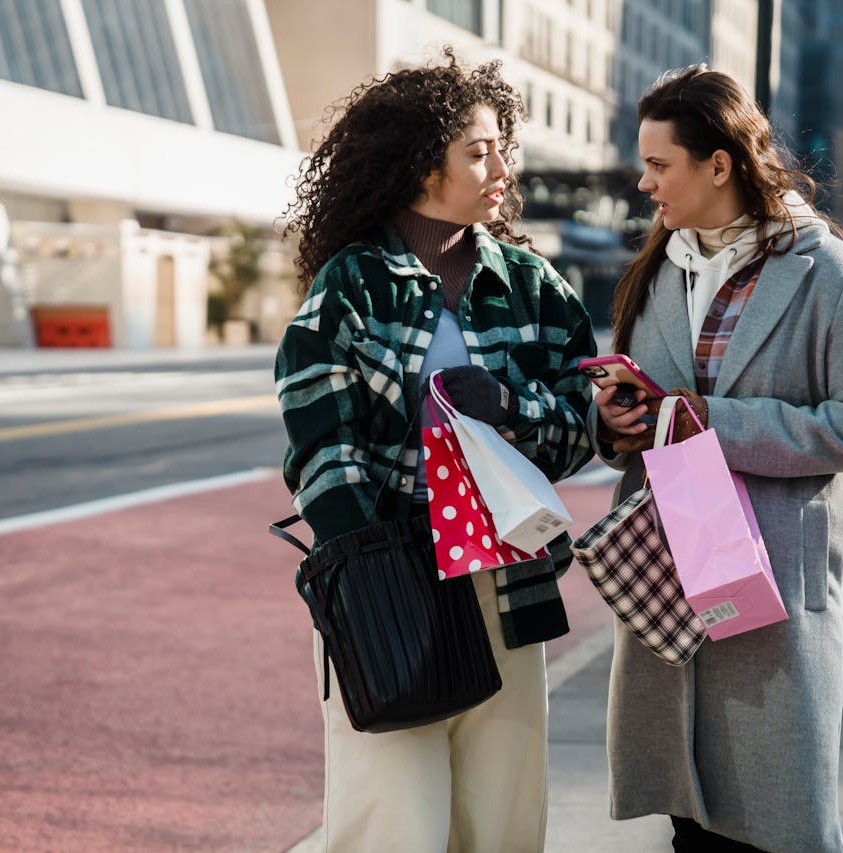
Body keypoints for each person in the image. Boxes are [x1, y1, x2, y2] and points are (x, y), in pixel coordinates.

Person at [274, 50, 597, 853]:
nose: (501, 167)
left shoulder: (531, 285)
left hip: (508, 582)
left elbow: (581, 426)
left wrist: (513, 410)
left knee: (503, 826)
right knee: (390, 823)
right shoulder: (353, 284)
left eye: (502, 147)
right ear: (420, 164)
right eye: (477, 150)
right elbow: (318, 433)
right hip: (389, 585)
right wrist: (366, 564)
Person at [591, 65, 843, 853]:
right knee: (689, 824)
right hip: (671, 587)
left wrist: (714, 422)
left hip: (768, 598)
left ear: (718, 165)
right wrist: (618, 423)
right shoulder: (657, 273)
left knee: (774, 829)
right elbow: (654, 408)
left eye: (660, 164)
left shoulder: (828, 272)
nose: (643, 181)